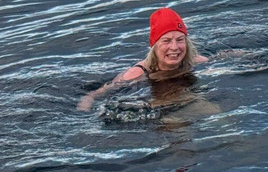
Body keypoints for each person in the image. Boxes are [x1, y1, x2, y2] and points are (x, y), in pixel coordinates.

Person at [77, 7, 209, 112]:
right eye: (166, 41)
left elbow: (220, 58)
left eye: (180, 40)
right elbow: (95, 94)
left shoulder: (194, 61)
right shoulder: (137, 73)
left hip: (186, 100)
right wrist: (85, 105)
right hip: (159, 107)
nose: (174, 47)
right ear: (155, 46)